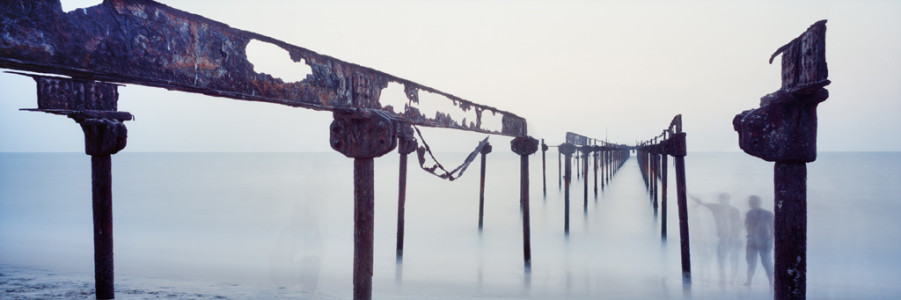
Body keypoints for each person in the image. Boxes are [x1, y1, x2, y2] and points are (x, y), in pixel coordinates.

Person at [691, 193, 742, 284]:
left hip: (732, 237)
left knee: (732, 258)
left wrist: (737, 238)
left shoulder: (734, 210)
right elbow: (701, 202)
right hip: (723, 237)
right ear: (720, 200)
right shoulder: (716, 207)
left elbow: (738, 224)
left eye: (725, 199)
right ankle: (724, 278)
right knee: (721, 258)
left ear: (728, 199)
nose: (724, 201)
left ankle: (732, 278)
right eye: (722, 199)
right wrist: (688, 194)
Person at [744, 195, 774, 287]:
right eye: (751, 202)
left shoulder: (768, 214)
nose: (751, 204)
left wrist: (770, 240)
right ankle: (749, 282)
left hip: (764, 241)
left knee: (766, 262)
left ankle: (771, 282)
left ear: (758, 203)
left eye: (753, 202)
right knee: (751, 262)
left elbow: (773, 228)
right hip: (752, 241)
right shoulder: (749, 213)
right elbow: (747, 226)